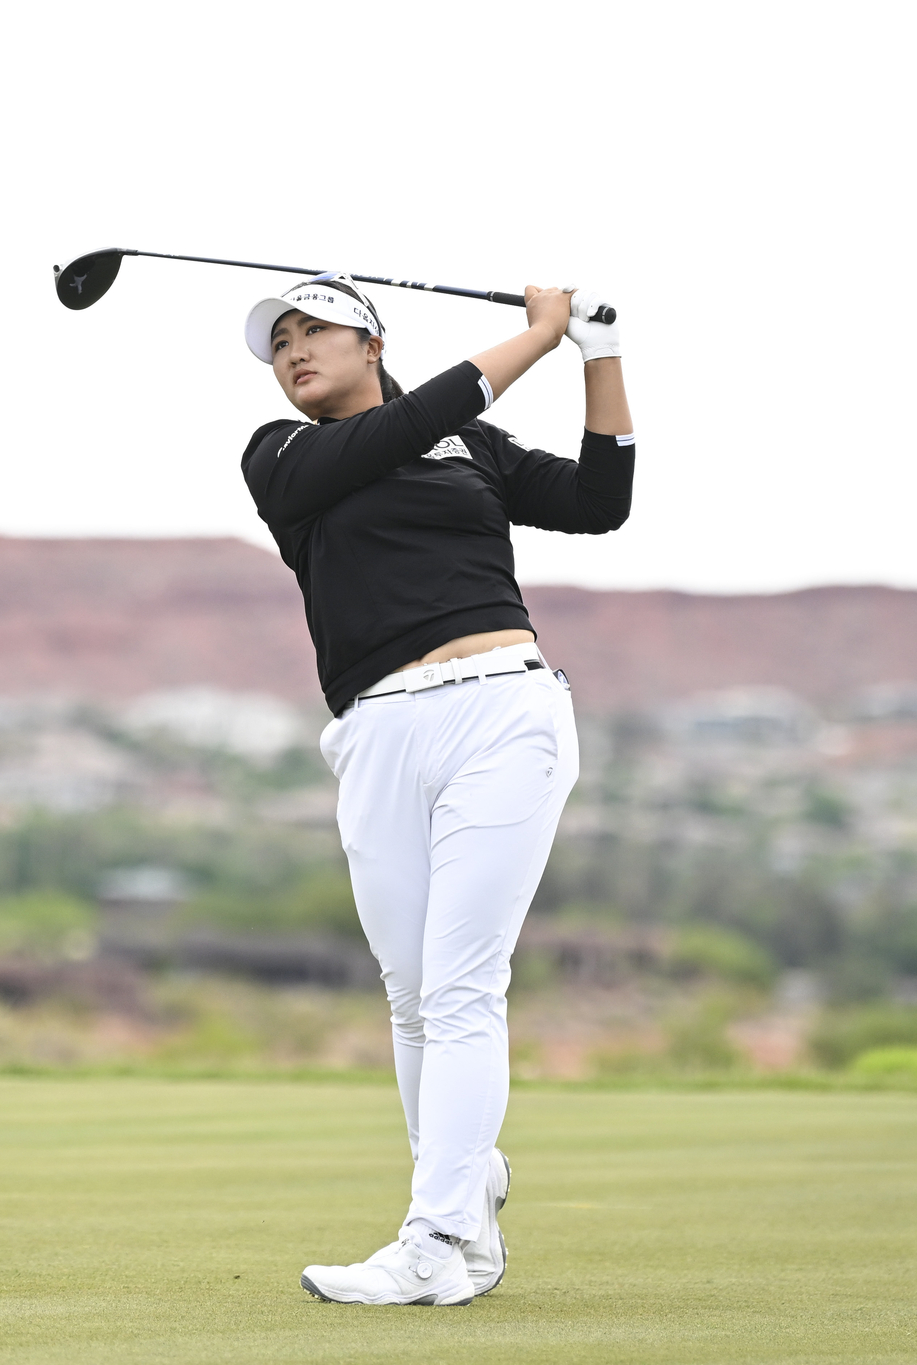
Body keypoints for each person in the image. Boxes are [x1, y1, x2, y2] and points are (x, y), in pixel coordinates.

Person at [238, 276, 634, 1306]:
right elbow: (408, 423)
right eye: (278, 343)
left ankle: (432, 1237)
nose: (292, 350)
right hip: (375, 729)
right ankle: (469, 1206)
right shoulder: (280, 457)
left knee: (460, 987)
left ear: (371, 342)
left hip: (500, 711)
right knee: (412, 994)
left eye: (313, 329)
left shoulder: (472, 447)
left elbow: (600, 504)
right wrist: (537, 336)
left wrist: (596, 353)